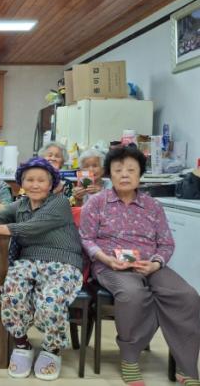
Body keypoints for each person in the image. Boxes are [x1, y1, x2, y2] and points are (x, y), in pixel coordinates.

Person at [79, 146, 200, 386]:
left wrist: (155, 264)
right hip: (110, 265)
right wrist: (106, 259)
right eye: (118, 170)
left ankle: (186, 365)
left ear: (140, 175)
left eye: (131, 170)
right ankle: (130, 358)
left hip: (149, 264)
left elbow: (166, 243)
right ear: (109, 174)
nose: (124, 174)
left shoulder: (153, 206)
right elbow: (86, 238)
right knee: (133, 294)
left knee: (187, 296)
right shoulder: (96, 202)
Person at [0, 157, 83, 381]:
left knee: (51, 302)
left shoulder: (59, 203)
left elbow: (30, 228)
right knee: (11, 293)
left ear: (51, 184)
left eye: (41, 180)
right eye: (30, 180)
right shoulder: (19, 205)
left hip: (64, 262)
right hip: (28, 261)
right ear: (21, 183)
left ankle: (52, 349)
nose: (35, 184)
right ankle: (22, 344)